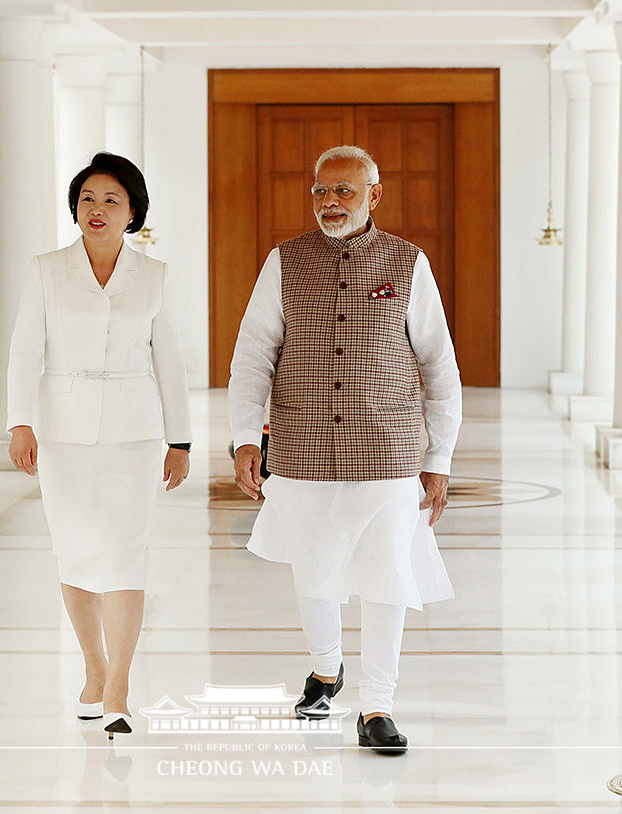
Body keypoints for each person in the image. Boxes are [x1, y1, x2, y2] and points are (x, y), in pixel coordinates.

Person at [228, 144, 462, 754]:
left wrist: (438, 460)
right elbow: (254, 354)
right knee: (316, 571)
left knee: (388, 577)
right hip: (302, 448)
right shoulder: (285, 261)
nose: (330, 202)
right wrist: (245, 438)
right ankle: (326, 671)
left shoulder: (408, 263)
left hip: (388, 449)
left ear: (373, 196)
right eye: (321, 191)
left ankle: (378, 705)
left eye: (344, 191)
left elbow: (438, 362)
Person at [7, 152, 192, 739]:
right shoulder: (46, 269)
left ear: (132, 210)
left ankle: (119, 689)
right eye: (88, 198)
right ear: (75, 208)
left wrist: (180, 439)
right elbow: (22, 351)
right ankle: (93, 669)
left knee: (124, 554)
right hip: (61, 433)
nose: (97, 209)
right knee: (77, 551)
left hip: (135, 436)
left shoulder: (155, 276)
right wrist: (20, 422)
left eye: (112, 199)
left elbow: (171, 362)